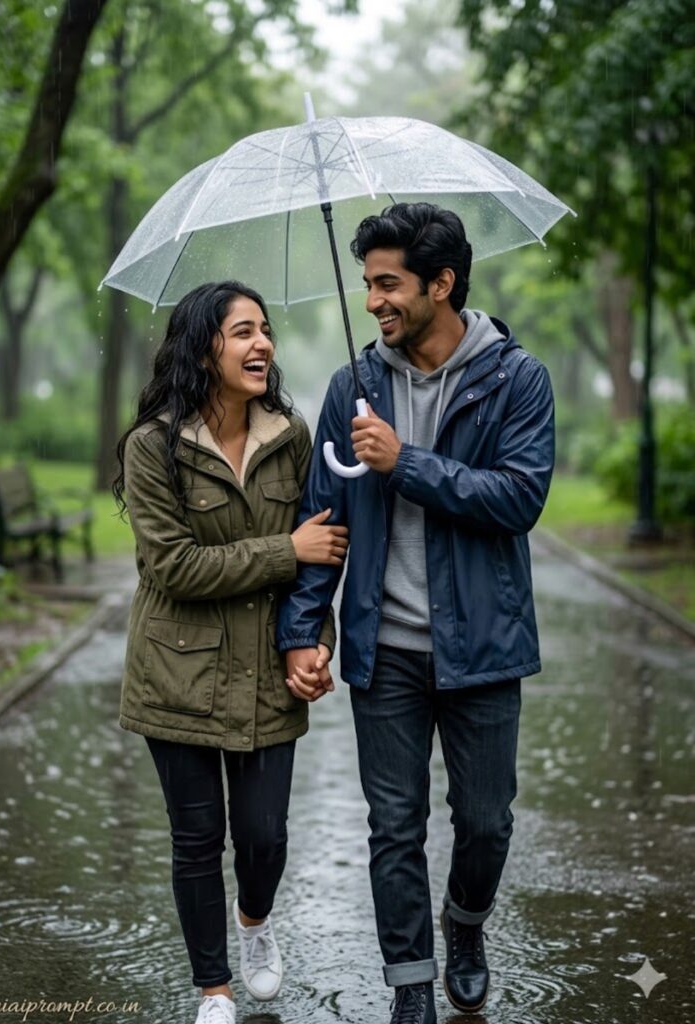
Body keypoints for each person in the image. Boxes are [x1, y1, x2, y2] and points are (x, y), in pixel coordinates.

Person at [277, 204, 555, 1021]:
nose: (373, 302)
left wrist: (408, 463)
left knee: (486, 822)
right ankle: (410, 988)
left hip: (484, 647)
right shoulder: (352, 389)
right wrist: (304, 631)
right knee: (393, 827)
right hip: (385, 651)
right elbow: (322, 519)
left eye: (390, 284)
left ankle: (465, 925)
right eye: (367, 284)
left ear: (442, 283)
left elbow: (519, 497)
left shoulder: (516, 378)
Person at [113, 281, 347, 1024]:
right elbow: (172, 567)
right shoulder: (152, 446)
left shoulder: (293, 434)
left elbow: (323, 555)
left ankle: (255, 922)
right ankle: (211, 987)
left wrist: (313, 639)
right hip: (176, 671)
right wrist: (286, 548)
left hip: (269, 671)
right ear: (201, 346)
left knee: (265, 837)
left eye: (266, 331)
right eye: (242, 331)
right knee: (196, 836)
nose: (262, 345)